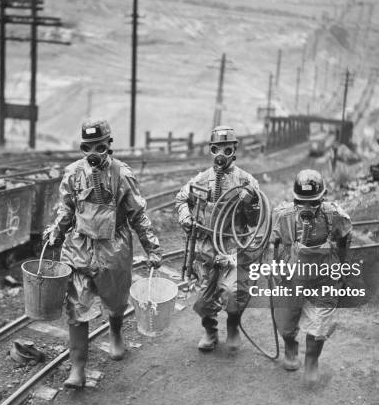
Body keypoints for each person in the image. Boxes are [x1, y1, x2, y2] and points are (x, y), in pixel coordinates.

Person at [44, 119, 162, 389]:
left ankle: (116, 332)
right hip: (80, 246)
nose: (94, 154)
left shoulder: (122, 174)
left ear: (109, 145)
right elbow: (66, 209)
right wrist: (56, 232)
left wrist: (152, 247)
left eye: (100, 146)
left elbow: (138, 214)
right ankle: (78, 368)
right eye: (88, 148)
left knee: (116, 298)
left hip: (114, 247)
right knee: (76, 307)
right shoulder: (73, 173)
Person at [175, 125, 261, 352]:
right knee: (203, 300)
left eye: (227, 148)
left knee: (232, 292)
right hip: (205, 248)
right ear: (211, 150)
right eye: (217, 148)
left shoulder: (246, 182)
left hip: (232, 248)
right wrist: (185, 216)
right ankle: (210, 331)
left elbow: (254, 222)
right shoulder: (201, 180)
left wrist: (250, 202)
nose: (221, 154)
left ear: (234, 150)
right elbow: (181, 199)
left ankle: (232, 326)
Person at [269, 169, 352, 384]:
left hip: (323, 275)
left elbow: (345, 237)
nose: (306, 208)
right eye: (301, 202)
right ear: (294, 199)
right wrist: (277, 268)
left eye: (313, 203)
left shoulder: (334, 215)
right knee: (285, 322)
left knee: (320, 323)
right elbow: (274, 244)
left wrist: (341, 267)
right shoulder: (283, 216)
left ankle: (312, 360)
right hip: (292, 275)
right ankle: (290, 345)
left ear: (322, 198)